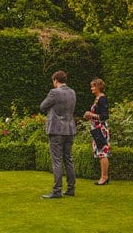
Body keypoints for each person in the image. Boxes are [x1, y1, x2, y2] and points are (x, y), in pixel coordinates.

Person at [40, 70, 77, 199]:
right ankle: (71, 188)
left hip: (56, 130)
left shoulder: (54, 92)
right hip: (69, 129)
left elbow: (42, 106)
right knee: (68, 159)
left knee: (57, 160)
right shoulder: (72, 92)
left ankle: (57, 190)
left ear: (55, 80)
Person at [84, 78, 111, 185]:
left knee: (102, 153)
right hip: (96, 128)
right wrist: (89, 116)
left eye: (93, 86)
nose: (91, 88)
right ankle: (103, 177)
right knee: (99, 152)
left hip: (101, 129)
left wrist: (91, 115)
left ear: (99, 87)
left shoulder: (102, 99)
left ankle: (104, 177)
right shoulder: (97, 98)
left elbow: (105, 116)